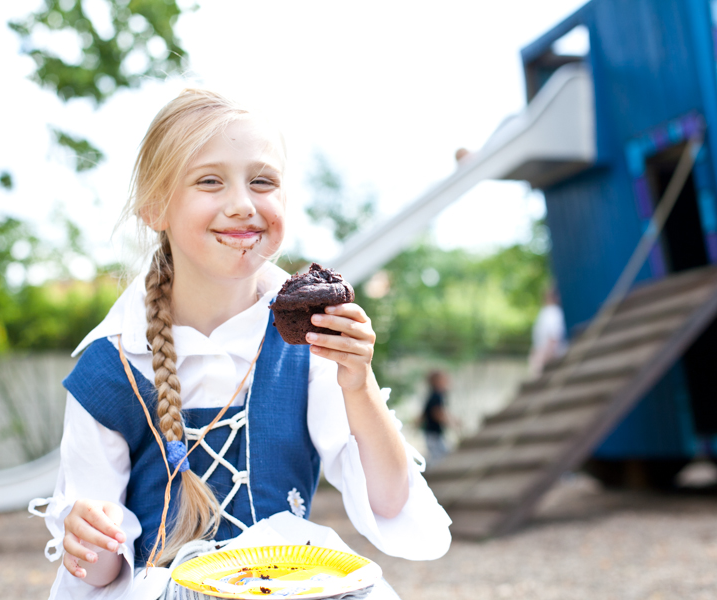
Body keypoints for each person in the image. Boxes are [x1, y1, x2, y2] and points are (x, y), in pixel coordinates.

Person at [29, 89, 451, 600]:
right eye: (210, 181)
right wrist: (86, 537)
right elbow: (98, 577)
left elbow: (388, 502)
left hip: (291, 585)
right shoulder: (113, 365)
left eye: (263, 181)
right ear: (154, 204)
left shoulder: (308, 342)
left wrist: (358, 384)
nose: (241, 204)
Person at [528, 283, 568, 378]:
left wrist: (543, 359)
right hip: (543, 355)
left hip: (547, 358)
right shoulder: (548, 312)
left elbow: (553, 338)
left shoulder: (553, 313)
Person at [420, 370, 453, 464]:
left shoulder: (433, 395)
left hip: (433, 432)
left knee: (439, 455)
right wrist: (451, 423)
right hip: (433, 432)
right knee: (439, 457)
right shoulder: (437, 396)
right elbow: (437, 413)